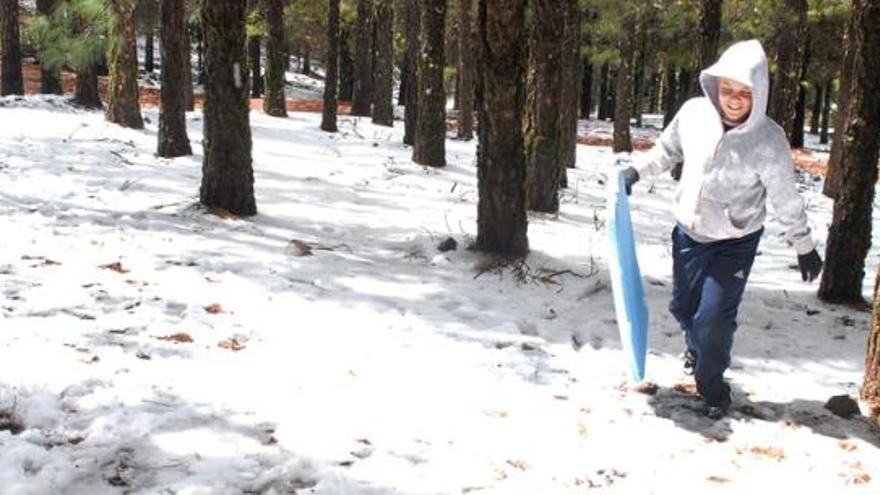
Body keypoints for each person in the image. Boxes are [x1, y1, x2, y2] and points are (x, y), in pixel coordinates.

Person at [620, 39, 823, 419]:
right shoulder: (695, 114)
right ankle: (696, 348)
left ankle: (712, 387)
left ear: (757, 94)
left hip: (735, 241)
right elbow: (666, 150)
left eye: (743, 92)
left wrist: (804, 244)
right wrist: (636, 171)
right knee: (685, 308)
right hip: (689, 232)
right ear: (715, 87)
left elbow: (784, 197)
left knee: (713, 317)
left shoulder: (768, 140)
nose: (732, 99)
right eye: (727, 90)